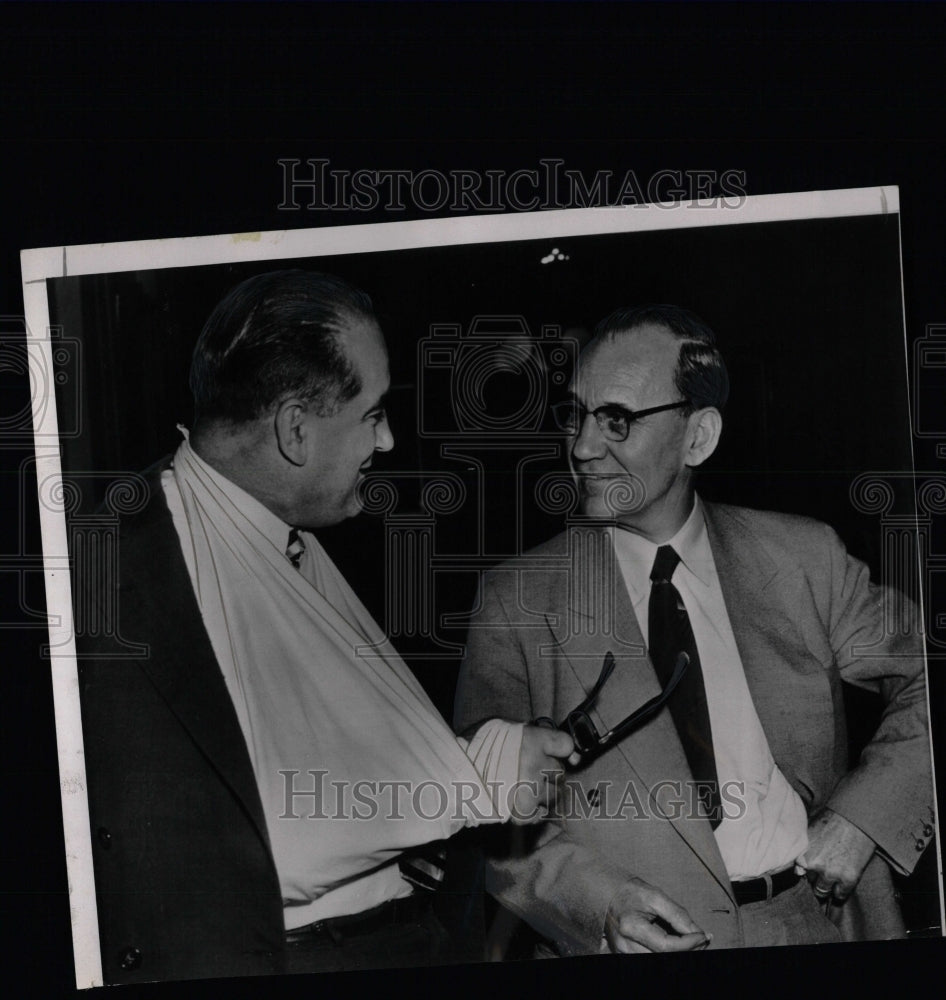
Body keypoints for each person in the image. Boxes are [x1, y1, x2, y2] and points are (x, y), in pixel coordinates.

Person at [76, 270, 573, 984]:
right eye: (373, 414)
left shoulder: (288, 535)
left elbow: (323, 752)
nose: (390, 440)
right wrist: (468, 783)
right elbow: (230, 831)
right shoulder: (105, 579)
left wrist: (480, 760)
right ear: (296, 429)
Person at [454, 304, 935, 955]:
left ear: (698, 437)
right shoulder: (514, 599)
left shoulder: (804, 558)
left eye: (617, 419)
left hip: (815, 925)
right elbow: (486, 813)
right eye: (577, 415)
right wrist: (599, 905)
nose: (583, 447)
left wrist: (862, 818)